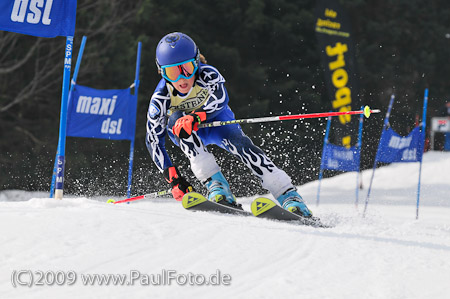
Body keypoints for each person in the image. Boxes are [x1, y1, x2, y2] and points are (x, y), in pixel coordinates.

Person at [145, 32, 313, 218]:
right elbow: (153, 140)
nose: (181, 79)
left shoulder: (207, 74)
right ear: (162, 71)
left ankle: (289, 195)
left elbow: (221, 98)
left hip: (218, 122)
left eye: (187, 68)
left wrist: (197, 116)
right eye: (172, 72)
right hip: (191, 132)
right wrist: (174, 180)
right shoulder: (161, 97)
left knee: (242, 145)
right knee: (177, 121)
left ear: (196, 63)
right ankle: (216, 185)